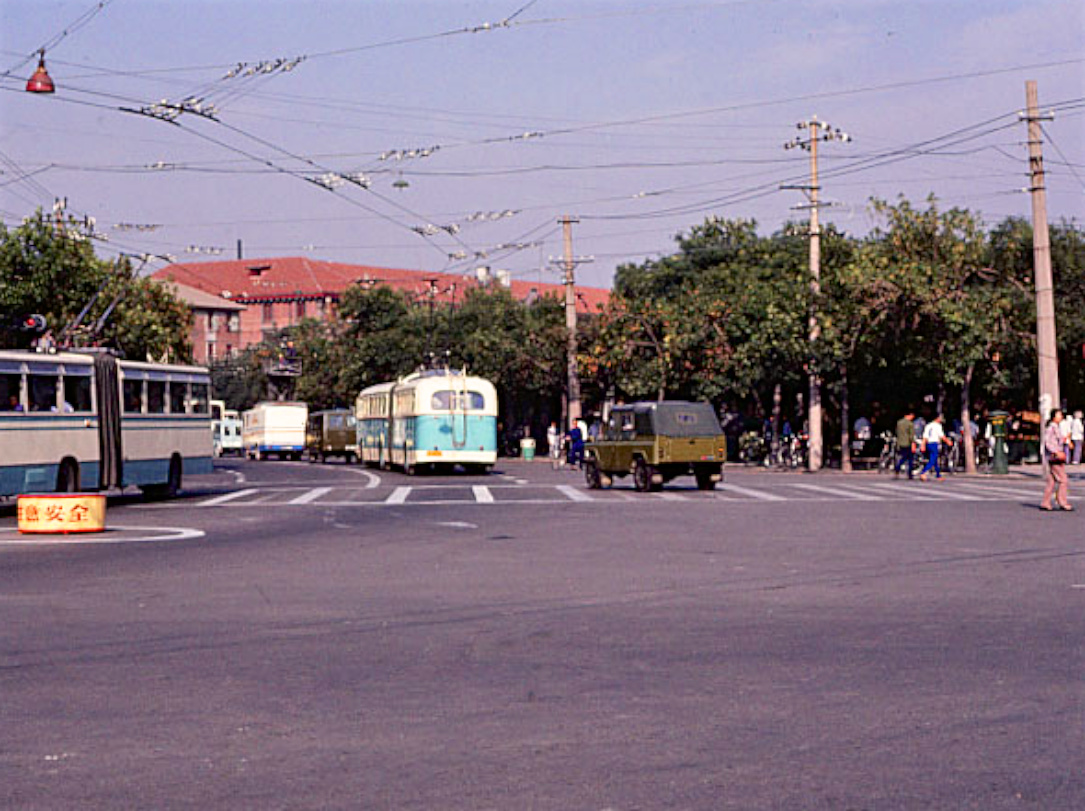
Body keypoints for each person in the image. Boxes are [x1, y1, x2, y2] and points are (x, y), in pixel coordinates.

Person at [1041, 409, 1073, 511]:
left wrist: (1065, 441)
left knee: (1052, 481)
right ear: (1054, 416)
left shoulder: (1056, 427)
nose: (1061, 416)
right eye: (1059, 414)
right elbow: (1047, 442)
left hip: (1055, 456)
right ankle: (1062, 501)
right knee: (1063, 479)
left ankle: (1045, 502)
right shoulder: (1051, 427)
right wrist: (1055, 452)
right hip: (1054, 457)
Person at [918, 414, 950, 481]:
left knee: (935, 460)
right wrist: (948, 441)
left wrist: (923, 445)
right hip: (934, 443)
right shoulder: (938, 426)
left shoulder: (928, 425)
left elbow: (925, 436)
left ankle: (938, 475)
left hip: (928, 443)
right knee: (933, 459)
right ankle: (923, 472)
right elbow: (941, 435)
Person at [894, 407, 916, 479]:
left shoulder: (899, 423)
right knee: (909, 459)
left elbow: (897, 432)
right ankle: (909, 473)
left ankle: (897, 468)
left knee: (902, 457)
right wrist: (913, 444)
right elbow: (911, 435)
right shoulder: (910, 424)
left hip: (900, 443)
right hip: (907, 443)